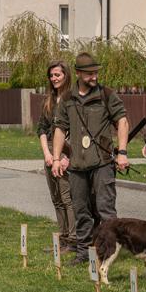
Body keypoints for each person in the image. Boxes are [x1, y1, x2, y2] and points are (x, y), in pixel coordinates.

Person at [52, 52, 129, 264]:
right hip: (77, 164)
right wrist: (57, 158)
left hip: (103, 162)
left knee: (105, 209)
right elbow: (59, 129)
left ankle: (109, 252)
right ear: (77, 73)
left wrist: (121, 152)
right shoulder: (67, 98)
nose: (94, 77)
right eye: (89, 73)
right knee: (81, 210)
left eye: (95, 72)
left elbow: (122, 121)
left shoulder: (106, 94)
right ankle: (83, 252)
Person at [37, 61, 77, 251]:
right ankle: (62, 238)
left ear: (66, 76)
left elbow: (77, 133)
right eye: (51, 75)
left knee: (66, 196)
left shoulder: (73, 100)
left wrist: (64, 158)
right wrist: (48, 154)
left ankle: (73, 240)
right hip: (51, 151)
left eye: (57, 75)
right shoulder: (49, 101)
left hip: (67, 152)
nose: (54, 79)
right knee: (56, 198)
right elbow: (42, 130)